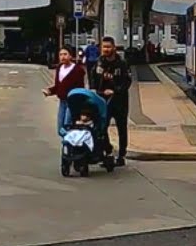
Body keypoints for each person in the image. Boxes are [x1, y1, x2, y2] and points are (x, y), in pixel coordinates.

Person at [89, 36, 132, 166]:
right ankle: (107, 151)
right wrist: (96, 91)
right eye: (104, 47)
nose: (106, 50)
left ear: (113, 48)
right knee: (101, 127)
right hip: (103, 100)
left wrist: (116, 91)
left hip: (120, 101)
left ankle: (121, 155)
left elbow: (127, 81)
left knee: (121, 128)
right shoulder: (99, 63)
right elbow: (93, 79)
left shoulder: (122, 64)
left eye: (108, 47)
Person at [43, 44, 87, 138]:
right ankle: (68, 143)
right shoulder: (59, 68)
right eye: (61, 55)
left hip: (72, 102)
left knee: (67, 126)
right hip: (62, 102)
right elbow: (58, 86)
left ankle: (69, 148)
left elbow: (80, 88)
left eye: (65, 54)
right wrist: (50, 91)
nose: (63, 57)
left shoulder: (77, 70)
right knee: (60, 129)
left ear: (70, 56)